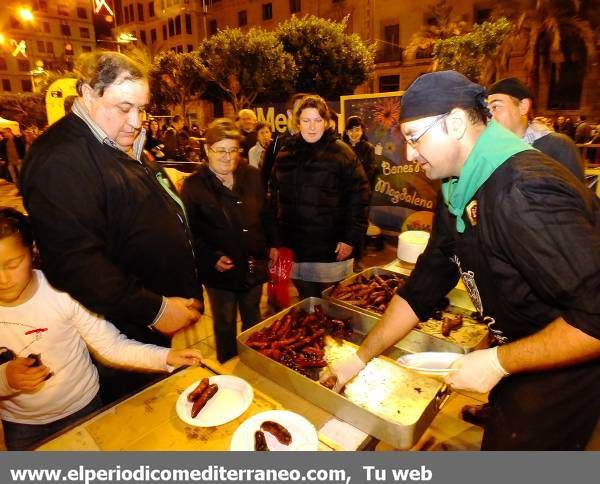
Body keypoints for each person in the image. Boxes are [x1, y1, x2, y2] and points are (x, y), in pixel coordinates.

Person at [326, 71, 600, 450]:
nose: (408, 153)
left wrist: (497, 363)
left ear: (455, 123)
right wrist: (361, 358)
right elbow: (423, 287)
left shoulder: (522, 191)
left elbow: (595, 318)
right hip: (515, 359)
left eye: (414, 138)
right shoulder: (457, 186)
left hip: (561, 378)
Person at [19, 51, 202, 401]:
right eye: (124, 108)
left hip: (152, 318)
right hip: (124, 328)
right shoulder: (60, 160)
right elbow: (77, 264)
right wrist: (156, 310)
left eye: (142, 109)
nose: (136, 121)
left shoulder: (115, 142)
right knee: (137, 413)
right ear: (88, 94)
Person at [0, 208, 203, 450]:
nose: (3, 278)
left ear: (32, 251)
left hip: (82, 408)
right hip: (22, 425)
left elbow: (111, 345)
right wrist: (5, 378)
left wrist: (166, 357)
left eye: (12, 264)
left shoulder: (63, 290)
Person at [182, 119, 279, 363]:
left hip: (253, 265)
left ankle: (254, 364)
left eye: (233, 150)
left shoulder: (252, 176)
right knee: (224, 323)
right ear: (207, 150)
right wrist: (211, 257)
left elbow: (266, 213)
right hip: (220, 275)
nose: (227, 157)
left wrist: (274, 244)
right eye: (220, 150)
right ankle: (228, 365)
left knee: (253, 319)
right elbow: (188, 232)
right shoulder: (194, 186)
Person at [269, 95, 370, 299]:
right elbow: (272, 198)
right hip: (295, 247)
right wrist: (274, 240)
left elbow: (359, 197)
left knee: (333, 303)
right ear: (298, 123)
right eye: (306, 121)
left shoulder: (342, 153)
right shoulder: (285, 153)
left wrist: (350, 238)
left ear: (326, 122)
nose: (312, 127)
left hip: (330, 248)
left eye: (317, 120)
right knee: (308, 304)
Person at [487, 77, 584, 180]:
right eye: (486, 110)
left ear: (523, 106)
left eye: (495, 107)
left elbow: (576, 194)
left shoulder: (559, 145)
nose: (488, 117)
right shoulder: (491, 149)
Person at [342, 115, 376, 272]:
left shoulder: (368, 148)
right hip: (344, 195)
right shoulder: (341, 147)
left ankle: (358, 258)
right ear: (346, 132)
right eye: (351, 130)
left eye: (357, 129)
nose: (354, 133)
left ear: (362, 130)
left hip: (361, 193)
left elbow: (369, 173)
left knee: (360, 226)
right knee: (345, 225)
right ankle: (346, 257)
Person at [260, 92, 309, 188]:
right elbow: (265, 178)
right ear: (290, 114)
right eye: (300, 111)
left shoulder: (320, 143)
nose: (305, 115)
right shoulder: (277, 144)